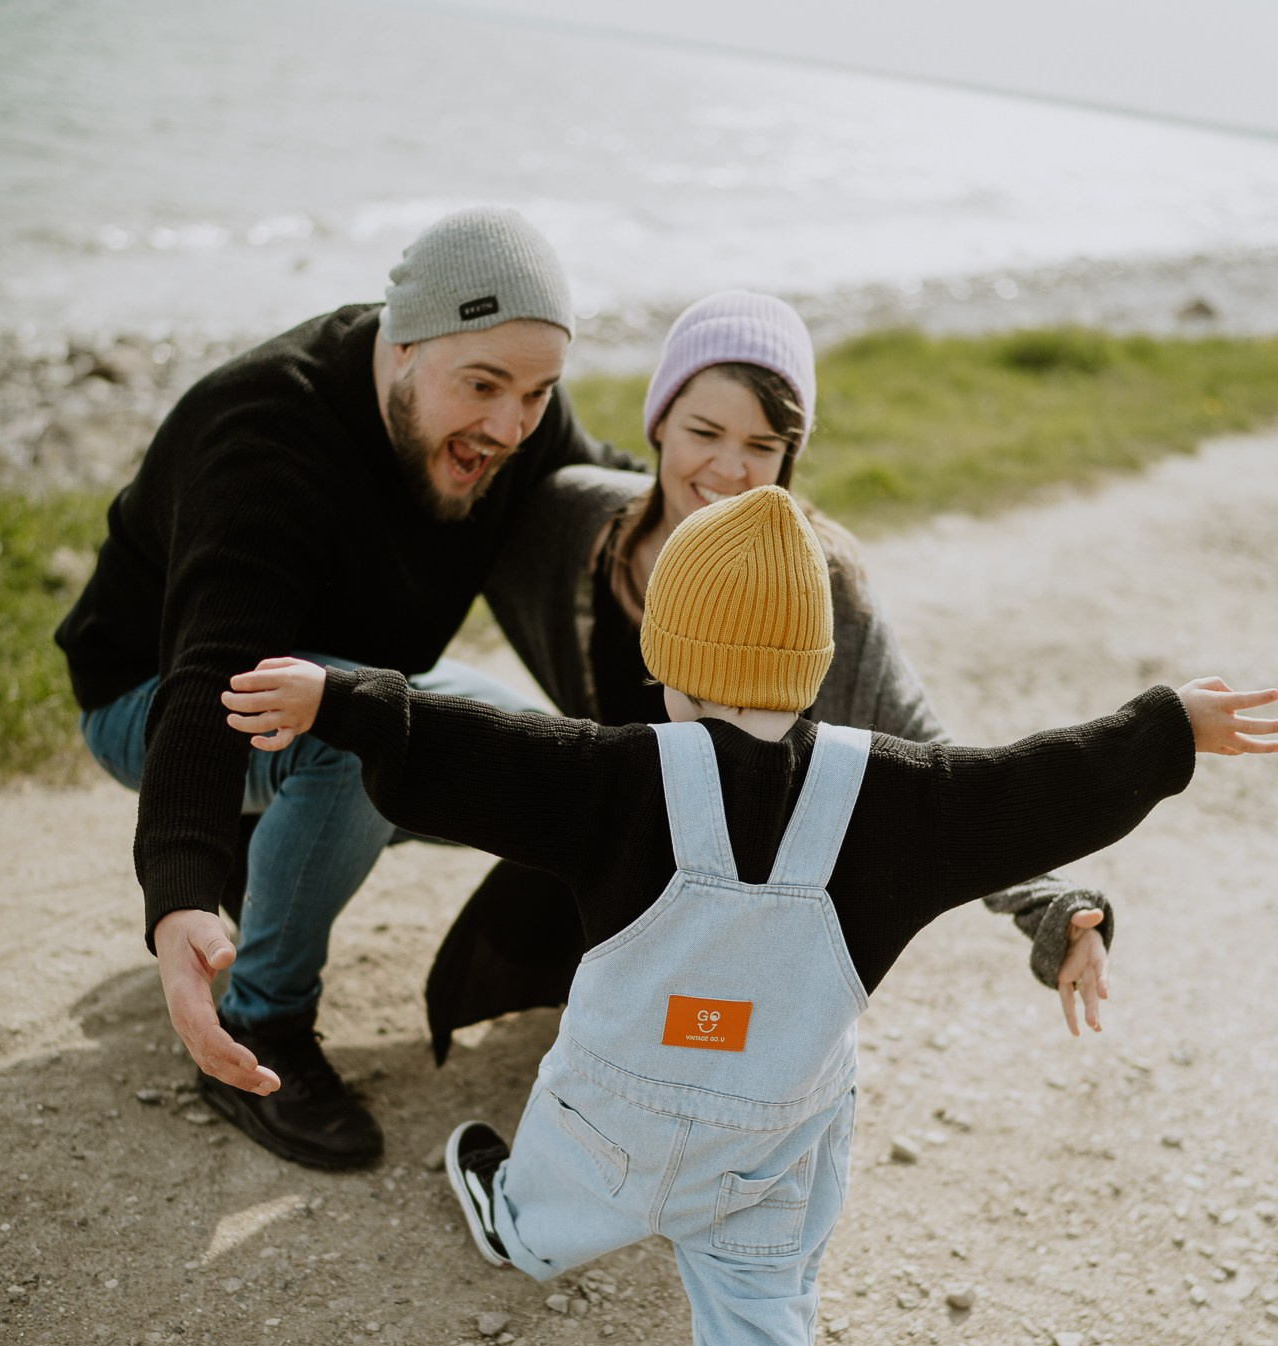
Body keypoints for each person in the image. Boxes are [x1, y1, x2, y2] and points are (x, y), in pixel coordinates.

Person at [220, 487, 1277, 1346]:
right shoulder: (896, 796)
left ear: (661, 654)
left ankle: (518, 1229)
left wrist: (345, 699)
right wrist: (1166, 725)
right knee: (763, 1297)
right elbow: (1037, 784)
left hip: (611, 1116)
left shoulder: (615, 773)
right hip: (766, 1138)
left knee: (553, 1183)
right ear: (815, 666)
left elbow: (483, 751)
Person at [57, 206, 640, 1170]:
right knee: (351, 731)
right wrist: (180, 891)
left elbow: (603, 479)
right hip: (152, 697)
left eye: (538, 393)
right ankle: (263, 1025)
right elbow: (212, 679)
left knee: (540, 768)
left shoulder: (515, 415)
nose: (509, 426)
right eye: (484, 385)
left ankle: (274, 843)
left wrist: (715, 505)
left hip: (348, 685)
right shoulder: (264, 435)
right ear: (402, 342)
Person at [430, 290, 1114, 1064]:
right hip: (610, 851)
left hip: (748, 900)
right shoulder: (579, 526)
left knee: (701, 1062)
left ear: (790, 455)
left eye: (762, 444)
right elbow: (449, 538)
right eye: (704, 432)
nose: (729, 467)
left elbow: (934, 759)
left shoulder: (819, 585)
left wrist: (1052, 905)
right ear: (658, 426)